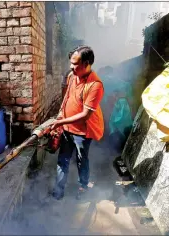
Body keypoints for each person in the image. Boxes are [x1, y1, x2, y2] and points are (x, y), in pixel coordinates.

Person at [50, 45, 104, 200]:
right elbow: (66, 97)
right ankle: (59, 190)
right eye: (71, 63)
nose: (71, 67)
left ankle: (83, 186)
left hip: (83, 132)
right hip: (67, 127)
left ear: (87, 63)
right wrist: (60, 115)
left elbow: (85, 115)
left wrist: (60, 123)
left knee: (81, 160)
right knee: (63, 159)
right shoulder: (72, 77)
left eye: (75, 64)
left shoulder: (95, 85)